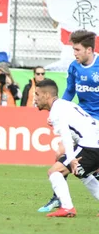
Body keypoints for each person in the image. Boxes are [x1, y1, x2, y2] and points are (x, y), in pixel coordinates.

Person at [38, 30, 99, 212]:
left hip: (95, 124)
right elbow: (70, 92)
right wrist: (58, 109)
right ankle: (59, 197)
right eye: (73, 49)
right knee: (61, 154)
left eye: (77, 49)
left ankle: (64, 202)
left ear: (89, 50)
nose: (75, 53)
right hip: (83, 120)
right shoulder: (74, 67)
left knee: (81, 162)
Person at [35, 78, 99, 217]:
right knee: (82, 173)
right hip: (94, 142)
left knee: (55, 172)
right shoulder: (66, 104)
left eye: (37, 95)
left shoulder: (56, 111)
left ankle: (67, 207)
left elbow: (66, 137)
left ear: (46, 96)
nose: (35, 99)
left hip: (90, 145)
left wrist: (71, 159)